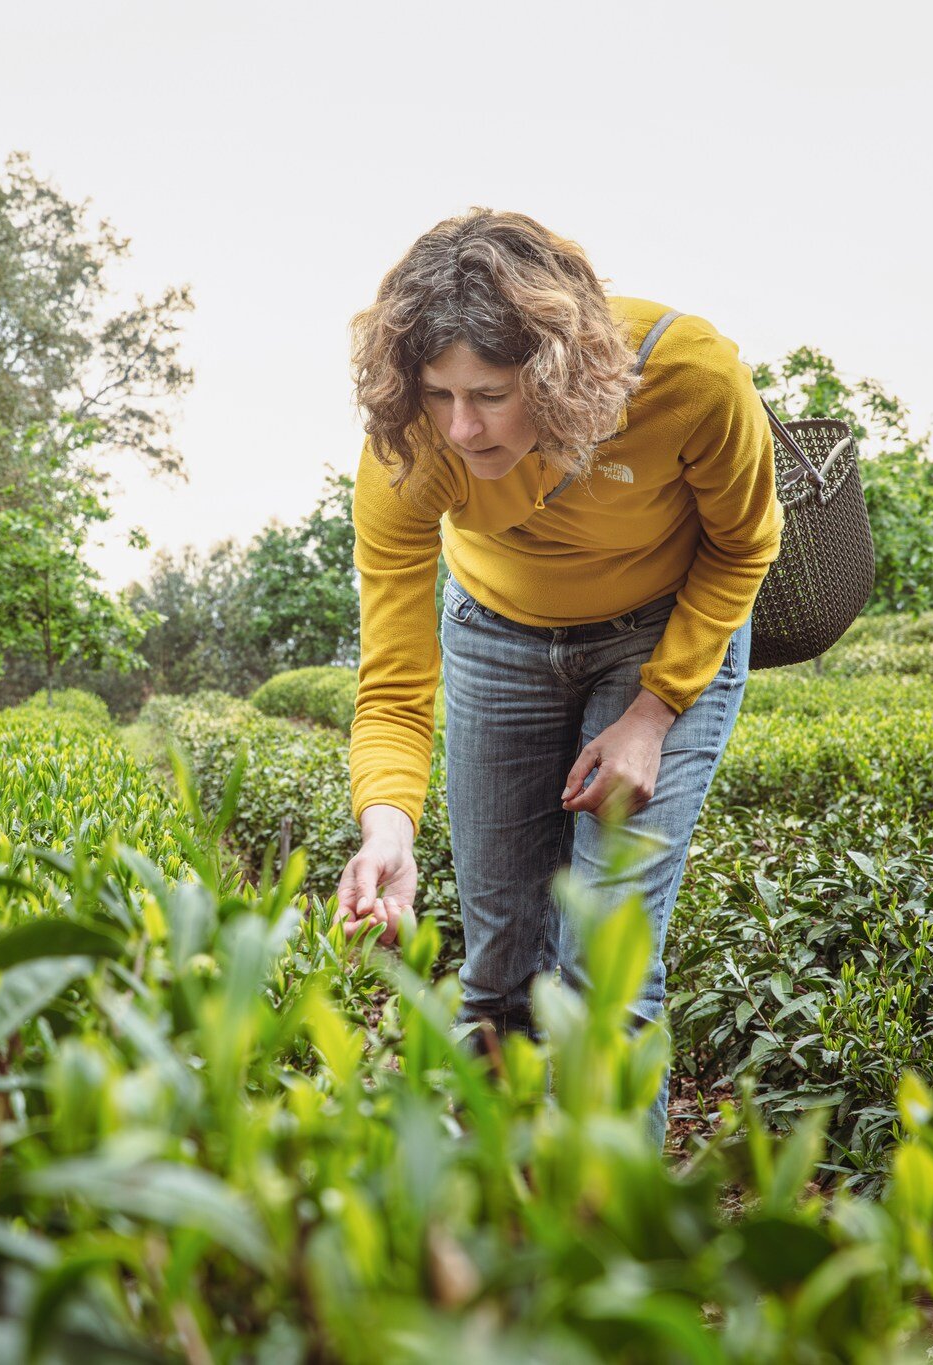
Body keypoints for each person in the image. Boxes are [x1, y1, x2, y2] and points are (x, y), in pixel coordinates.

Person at [333, 207, 782, 1154]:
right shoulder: (410, 451)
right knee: (499, 967)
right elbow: (395, 683)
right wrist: (388, 829)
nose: (462, 426)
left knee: (603, 963)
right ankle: (495, 1220)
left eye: (490, 395)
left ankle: (610, 1240)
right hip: (495, 634)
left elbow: (746, 546)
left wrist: (653, 715)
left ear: (556, 372)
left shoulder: (689, 377)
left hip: (660, 634)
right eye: (440, 393)